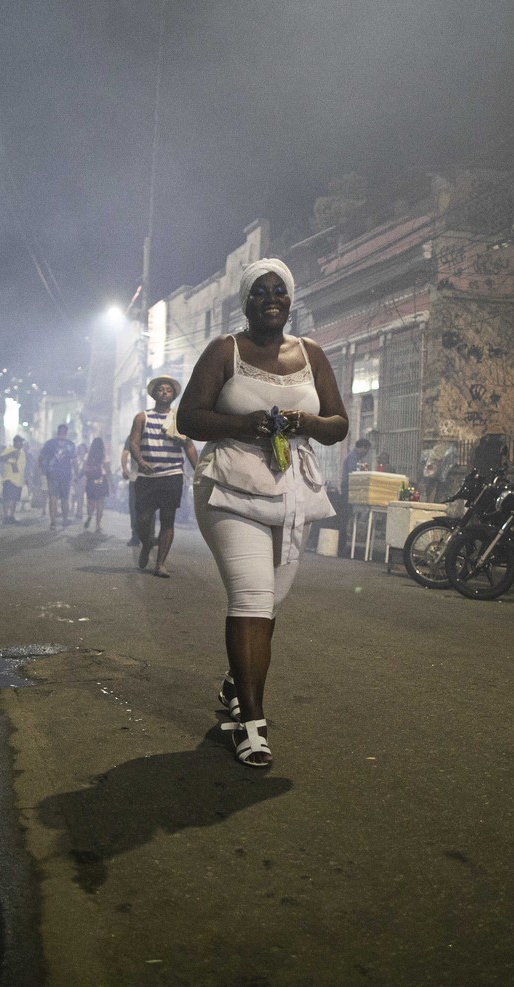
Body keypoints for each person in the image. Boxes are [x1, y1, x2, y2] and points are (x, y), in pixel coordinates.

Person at [179, 258, 348, 767]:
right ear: (246, 302)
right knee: (252, 598)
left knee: (272, 602)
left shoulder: (312, 353)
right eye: (259, 291)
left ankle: (236, 682)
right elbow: (189, 417)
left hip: (293, 493)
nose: (271, 297)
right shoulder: (224, 351)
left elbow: (338, 424)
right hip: (229, 489)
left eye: (279, 290)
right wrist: (246, 424)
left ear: (290, 300)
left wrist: (306, 421)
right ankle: (251, 723)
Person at [129, 376, 198, 576]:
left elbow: (189, 446)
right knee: (143, 520)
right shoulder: (142, 417)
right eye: (161, 389)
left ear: (173, 395)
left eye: (169, 389)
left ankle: (160, 564)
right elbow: (134, 443)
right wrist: (142, 462)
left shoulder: (179, 419)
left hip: (172, 475)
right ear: (154, 394)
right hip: (147, 478)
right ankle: (146, 543)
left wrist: (199, 471)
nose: (165, 392)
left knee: (168, 519)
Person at [39, 424, 78, 530]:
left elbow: (41, 458)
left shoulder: (49, 443)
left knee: (53, 498)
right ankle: (64, 520)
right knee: (65, 499)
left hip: (52, 474)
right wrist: (77, 474)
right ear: (66, 432)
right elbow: (74, 461)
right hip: (65, 474)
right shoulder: (71, 445)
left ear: (57, 431)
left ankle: (53, 522)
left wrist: (42, 470)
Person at [0, 436, 29, 524]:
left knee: (14, 500)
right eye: (20, 442)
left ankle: (11, 516)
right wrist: (10, 454)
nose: (21, 444)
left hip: (18, 480)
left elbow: (22, 466)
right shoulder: (9, 450)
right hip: (9, 478)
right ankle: (6, 517)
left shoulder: (22, 452)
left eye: (22, 442)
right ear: (15, 442)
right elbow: (0, 459)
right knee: (8, 499)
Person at [82, 437, 110, 532]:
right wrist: (112, 483)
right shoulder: (104, 456)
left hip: (91, 481)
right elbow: (108, 470)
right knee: (100, 503)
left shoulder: (87, 455)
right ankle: (98, 524)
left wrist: (78, 477)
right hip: (100, 480)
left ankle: (90, 516)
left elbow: (84, 469)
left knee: (90, 502)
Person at [121, 438, 142, 547]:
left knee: (135, 508)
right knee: (148, 508)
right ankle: (146, 535)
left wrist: (125, 469)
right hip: (142, 478)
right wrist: (125, 469)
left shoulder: (133, 436)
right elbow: (125, 454)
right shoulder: (132, 436)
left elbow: (125, 454)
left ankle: (137, 536)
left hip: (136, 478)